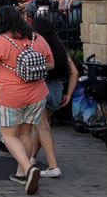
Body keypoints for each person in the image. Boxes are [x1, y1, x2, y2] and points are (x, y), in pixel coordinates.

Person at [0, 6, 53, 195]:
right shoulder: (37, 38)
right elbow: (51, 64)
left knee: (8, 135)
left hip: (9, 94)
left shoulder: (0, 41)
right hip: (37, 94)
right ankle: (22, 173)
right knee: (25, 133)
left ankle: (28, 169)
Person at [28, 16, 78, 178]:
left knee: (42, 126)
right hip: (57, 89)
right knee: (40, 124)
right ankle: (32, 157)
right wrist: (69, 94)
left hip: (41, 87)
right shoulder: (59, 47)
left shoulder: (37, 45)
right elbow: (74, 72)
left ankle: (53, 166)